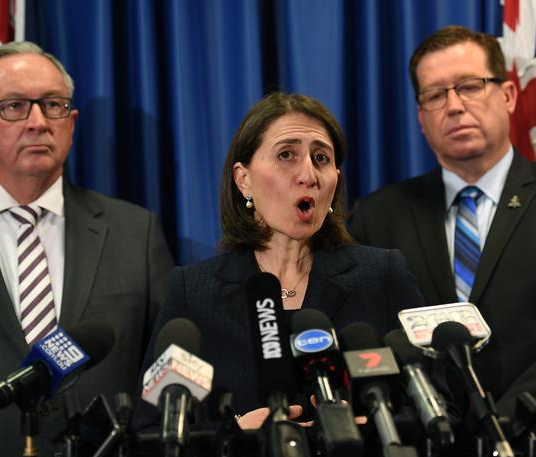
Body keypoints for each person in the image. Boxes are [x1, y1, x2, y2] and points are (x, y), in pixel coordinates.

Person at [0, 41, 173, 457]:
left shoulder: (136, 232)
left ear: (71, 124)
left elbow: (166, 370)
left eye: (53, 105)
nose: (38, 122)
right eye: (15, 106)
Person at [349, 25, 536, 457]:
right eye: (435, 95)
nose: (454, 105)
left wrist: (504, 422)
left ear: (508, 95)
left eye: (470, 86)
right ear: (420, 117)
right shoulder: (378, 215)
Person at [135, 92, 423, 432]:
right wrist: (234, 436)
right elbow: (151, 431)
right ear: (244, 180)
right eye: (286, 155)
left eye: (321, 158)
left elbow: (438, 408)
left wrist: (375, 426)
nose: (308, 175)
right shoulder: (193, 292)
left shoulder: (382, 275)